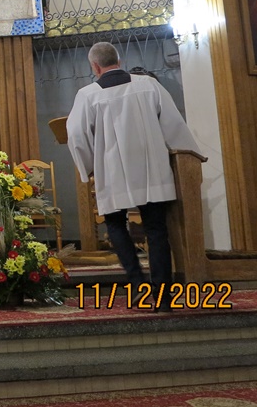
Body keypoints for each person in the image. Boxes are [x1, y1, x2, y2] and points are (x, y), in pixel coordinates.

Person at [66, 42, 202, 300]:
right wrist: (188, 159)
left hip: (112, 171)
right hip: (152, 168)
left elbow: (76, 136)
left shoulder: (88, 95)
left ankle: (139, 286)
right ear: (119, 60)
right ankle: (163, 295)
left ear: (94, 66)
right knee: (156, 229)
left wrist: (89, 168)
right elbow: (173, 124)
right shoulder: (148, 85)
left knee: (115, 224)